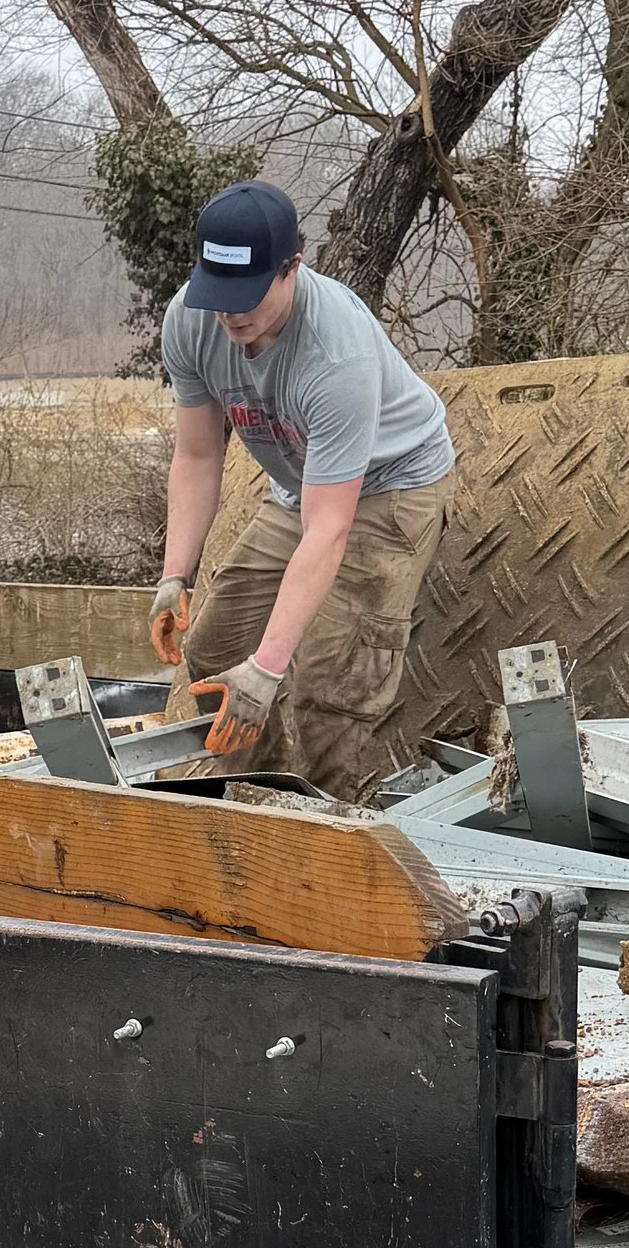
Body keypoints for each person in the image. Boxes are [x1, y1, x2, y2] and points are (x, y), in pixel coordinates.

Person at [149, 180, 457, 798]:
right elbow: (199, 454)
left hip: (389, 487)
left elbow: (330, 529)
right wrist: (174, 575)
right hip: (299, 484)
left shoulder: (335, 355)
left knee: (326, 687)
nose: (231, 313)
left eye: (248, 294)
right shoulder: (190, 319)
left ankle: (320, 822)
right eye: (219, 293)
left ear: (292, 268)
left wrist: (270, 667)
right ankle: (250, 795)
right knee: (215, 650)